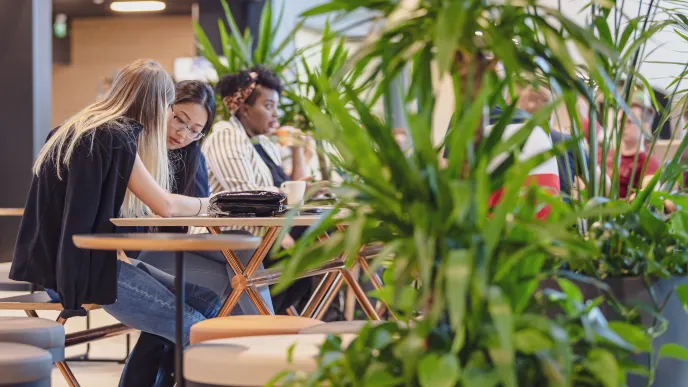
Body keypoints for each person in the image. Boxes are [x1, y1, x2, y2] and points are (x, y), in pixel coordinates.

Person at [10, 60, 221, 350]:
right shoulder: (117, 137)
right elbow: (165, 205)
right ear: (158, 104)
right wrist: (216, 204)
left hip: (65, 264)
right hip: (82, 271)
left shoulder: (72, 128)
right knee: (197, 329)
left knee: (209, 303)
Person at [118, 80, 269, 387]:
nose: (182, 134)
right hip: (135, 248)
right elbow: (169, 208)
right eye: (179, 120)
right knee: (226, 285)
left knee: (244, 251)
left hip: (172, 245)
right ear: (164, 109)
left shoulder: (191, 155)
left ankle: (263, 341)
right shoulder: (132, 145)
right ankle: (259, 356)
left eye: (194, 129)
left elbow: (199, 215)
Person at [203, 66, 314, 313]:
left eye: (276, 106)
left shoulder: (264, 143)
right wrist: (282, 233)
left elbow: (291, 190)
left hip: (266, 235)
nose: (275, 114)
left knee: (313, 257)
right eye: (268, 106)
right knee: (315, 245)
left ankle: (262, 320)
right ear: (244, 108)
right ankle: (248, 319)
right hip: (238, 239)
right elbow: (246, 197)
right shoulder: (226, 136)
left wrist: (297, 149)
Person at [606, 102, 660, 198]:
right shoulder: (605, 154)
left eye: (629, 122)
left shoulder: (649, 162)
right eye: (621, 122)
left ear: (645, 126)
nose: (623, 126)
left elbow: (647, 192)